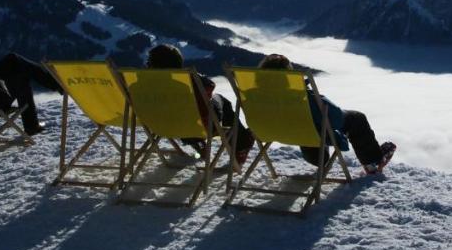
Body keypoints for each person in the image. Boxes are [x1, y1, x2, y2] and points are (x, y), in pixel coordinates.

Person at [257, 53, 396, 175]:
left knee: (309, 124)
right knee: (356, 118)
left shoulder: (253, 95)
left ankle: (319, 157)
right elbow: (335, 118)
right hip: (308, 132)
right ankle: (372, 162)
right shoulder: (301, 96)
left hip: (273, 131)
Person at [145, 44, 254, 166]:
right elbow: (209, 85)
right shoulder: (187, 82)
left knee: (179, 112)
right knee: (220, 101)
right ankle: (242, 145)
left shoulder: (139, 85)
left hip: (158, 124)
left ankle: (198, 143)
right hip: (196, 126)